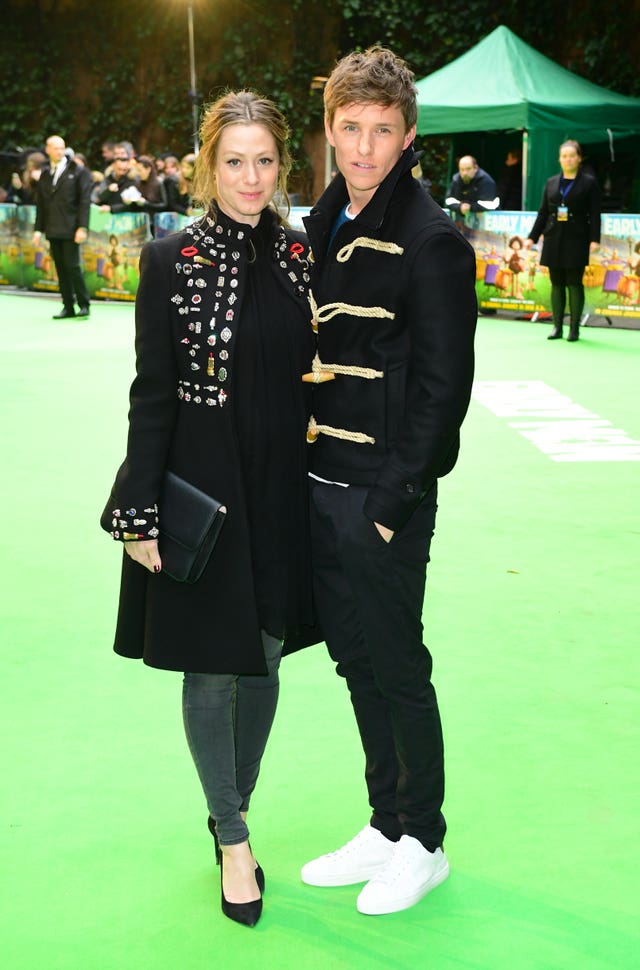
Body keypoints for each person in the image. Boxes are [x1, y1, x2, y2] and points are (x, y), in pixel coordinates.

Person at [100, 90, 314, 928]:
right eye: (234, 160)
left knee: (264, 656)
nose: (250, 177)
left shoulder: (301, 254)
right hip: (205, 490)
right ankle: (231, 837)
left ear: (281, 166)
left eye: (265, 160)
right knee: (211, 665)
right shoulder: (170, 257)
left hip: (282, 491)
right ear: (206, 166)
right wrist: (139, 510)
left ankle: (233, 806)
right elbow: (153, 395)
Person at [297, 47, 477, 916]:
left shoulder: (432, 240)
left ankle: (426, 840)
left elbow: (444, 395)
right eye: (350, 129)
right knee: (355, 660)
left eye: (382, 132)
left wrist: (388, 508)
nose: (364, 148)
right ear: (330, 131)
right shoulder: (322, 222)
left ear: (408, 138)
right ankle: (384, 822)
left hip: (380, 497)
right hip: (321, 481)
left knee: (399, 665)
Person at [525, 139, 601, 341]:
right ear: (559, 159)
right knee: (556, 283)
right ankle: (557, 327)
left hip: (577, 238)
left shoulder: (589, 182)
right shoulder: (551, 182)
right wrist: (531, 237)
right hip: (553, 237)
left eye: (572, 156)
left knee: (574, 283)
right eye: (564, 156)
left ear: (579, 158)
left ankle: (574, 328)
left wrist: (595, 239)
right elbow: (543, 212)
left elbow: (595, 213)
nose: (568, 159)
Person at [32, 134, 93, 319]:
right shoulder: (45, 173)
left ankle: (84, 304)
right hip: (52, 228)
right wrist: (38, 230)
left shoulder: (78, 170)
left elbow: (84, 201)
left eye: (62, 148)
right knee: (59, 268)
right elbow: (41, 204)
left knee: (72, 266)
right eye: (55, 148)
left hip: (71, 227)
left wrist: (82, 227)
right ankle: (68, 306)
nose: (59, 151)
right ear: (48, 149)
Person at [445, 154, 499, 218]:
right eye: (462, 169)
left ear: (475, 168)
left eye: (468, 169)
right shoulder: (456, 180)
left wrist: (470, 207)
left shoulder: (486, 181)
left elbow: (490, 205)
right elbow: (448, 201)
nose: (465, 173)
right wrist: (460, 207)